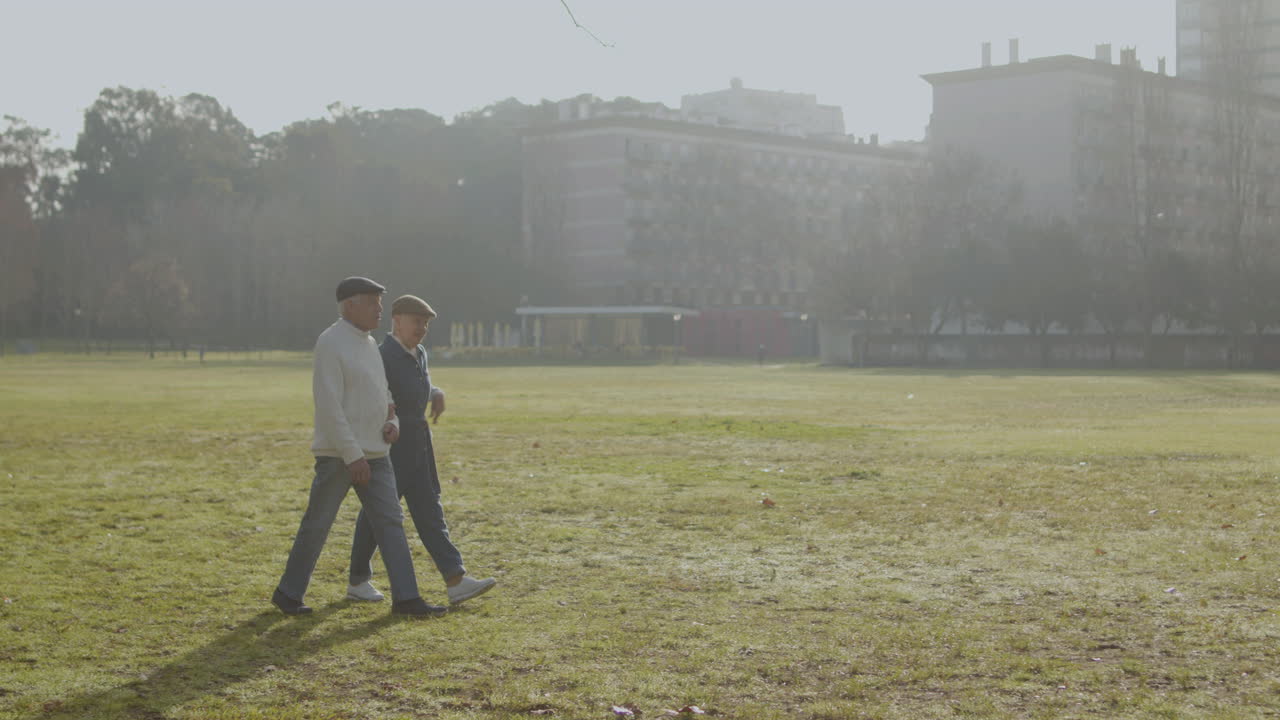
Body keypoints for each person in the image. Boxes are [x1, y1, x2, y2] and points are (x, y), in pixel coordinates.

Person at [272, 277, 446, 618]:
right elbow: (329, 406)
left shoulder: (369, 345)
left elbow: (386, 396)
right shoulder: (330, 343)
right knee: (317, 525)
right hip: (340, 456)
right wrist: (353, 456)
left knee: (392, 523)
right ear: (350, 304)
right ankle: (288, 593)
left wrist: (391, 423)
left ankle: (407, 599)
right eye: (373, 302)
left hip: (377, 453)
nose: (381, 309)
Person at [346, 295, 497, 606]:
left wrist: (436, 392)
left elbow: (418, 385)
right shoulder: (382, 355)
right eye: (417, 322)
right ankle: (358, 580)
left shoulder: (420, 352)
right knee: (378, 513)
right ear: (397, 320)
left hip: (419, 446)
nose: (423, 328)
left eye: (426, 323)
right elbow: (376, 398)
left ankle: (455, 580)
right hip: (391, 446)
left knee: (429, 510)